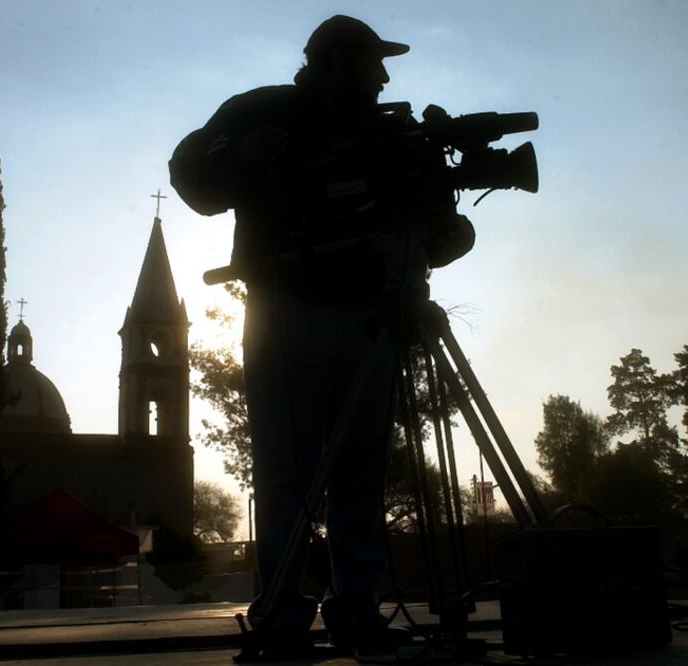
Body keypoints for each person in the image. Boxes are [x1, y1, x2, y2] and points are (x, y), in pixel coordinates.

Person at [169, 15, 474, 654]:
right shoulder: (260, 111)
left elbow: (432, 227)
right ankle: (282, 614)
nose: (384, 76)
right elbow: (191, 171)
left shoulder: (390, 133)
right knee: (289, 470)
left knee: (362, 469)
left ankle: (355, 607)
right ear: (337, 63)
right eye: (373, 63)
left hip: (373, 320)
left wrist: (447, 234)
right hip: (288, 314)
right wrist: (239, 156)